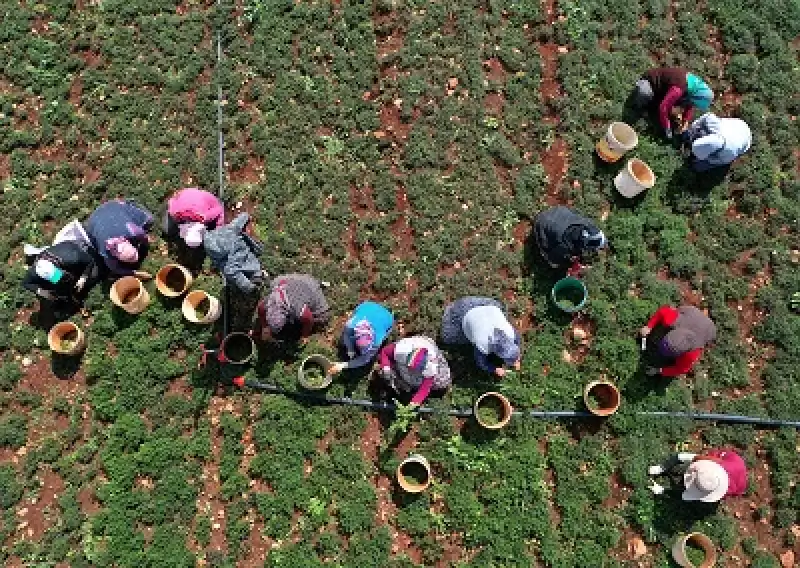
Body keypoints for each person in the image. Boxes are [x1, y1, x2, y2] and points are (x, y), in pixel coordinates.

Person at [21, 227, 102, 317]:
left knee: (94, 275)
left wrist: (83, 277)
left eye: (59, 276)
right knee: (58, 286)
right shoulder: (35, 271)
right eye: (55, 279)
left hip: (82, 253)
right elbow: (25, 283)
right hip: (66, 265)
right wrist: (42, 292)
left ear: (58, 267)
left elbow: (89, 262)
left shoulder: (72, 257)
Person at [441, 297, 520, 377]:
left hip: (488, 307)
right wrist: (494, 369)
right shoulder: (483, 343)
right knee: (447, 338)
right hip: (464, 312)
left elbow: (517, 342)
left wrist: (516, 359)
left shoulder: (510, 333)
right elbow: (481, 362)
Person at [632, 67, 714, 139]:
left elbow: (690, 106)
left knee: (673, 108)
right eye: (696, 104)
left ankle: (655, 103)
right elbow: (663, 108)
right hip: (650, 82)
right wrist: (667, 128)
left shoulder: (694, 88)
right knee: (644, 93)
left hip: (663, 90)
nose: (694, 106)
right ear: (696, 97)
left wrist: (685, 122)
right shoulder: (679, 88)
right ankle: (641, 108)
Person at [639, 305, 716, 377]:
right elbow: (663, 311)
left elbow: (681, 369)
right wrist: (649, 326)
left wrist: (659, 370)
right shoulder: (672, 320)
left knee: (667, 361)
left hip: (709, 330)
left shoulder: (692, 354)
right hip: (691, 312)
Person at [85, 199, 154, 278]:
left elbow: (144, 237)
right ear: (115, 255)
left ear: (128, 243)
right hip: (94, 220)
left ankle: (130, 204)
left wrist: (146, 242)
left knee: (150, 220)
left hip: (112, 207)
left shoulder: (132, 231)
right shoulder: (106, 251)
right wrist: (134, 273)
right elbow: (115, 269)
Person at [647, 449, 748, 502]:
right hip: (730, 460)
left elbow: (682, 495)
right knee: (710, 454)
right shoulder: (712, 460)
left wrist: (662, 490)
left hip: (738, 480)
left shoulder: (729, 490)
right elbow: (681, 456)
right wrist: (661, 468)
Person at [376, 336, 452, 406]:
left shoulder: (431, 367)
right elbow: (385, 352)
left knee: (442, 382)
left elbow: (424, 390)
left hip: (432, 363)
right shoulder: (401, 350)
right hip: (413, 346)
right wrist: (386, 368)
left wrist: (412, 405)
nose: (411, 370)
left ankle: (409, 389)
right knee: (382, 365)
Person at [254, 274, 331, 341]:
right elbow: (261, 311)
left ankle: (316, 284)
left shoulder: (298, 309)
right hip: (286, 281)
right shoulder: (266, 304)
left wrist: (304, 336)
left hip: (307, 285)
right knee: (274, 282)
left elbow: (309, 320)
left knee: (323, 318)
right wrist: (265, 327)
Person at [203, 213, 266, 294]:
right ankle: (257, 275)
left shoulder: (213, 246)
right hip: (248, 265)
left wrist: (245, 216)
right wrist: (250, 287)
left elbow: (239, 221)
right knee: (250, 270)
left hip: (239, 258)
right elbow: (235, 275)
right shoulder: (230, 263)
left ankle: (257, 274)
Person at [329, 301, 394, 374]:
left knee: (374, 351)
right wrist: (350, 350)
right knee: (343, 341)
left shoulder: (377, 340)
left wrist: (343, 365)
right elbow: (346, 336)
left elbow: (364, 359)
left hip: (387, 318)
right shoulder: (350, 325)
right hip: (367, 306)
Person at [533, 206, 607, 269]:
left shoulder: (586, 223)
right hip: (540, 224)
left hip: (556, 212)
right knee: (554, 263)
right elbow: (554, 256)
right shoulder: (566, 245)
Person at [681, 113, 752, 172]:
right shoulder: (711, 121)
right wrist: (692, 129)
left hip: (745, 138)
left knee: (697, 166)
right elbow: (704, 118)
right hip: (739, 125)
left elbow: (716, 161)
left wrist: (705, 159)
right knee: (693, 132)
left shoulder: (729, 153)